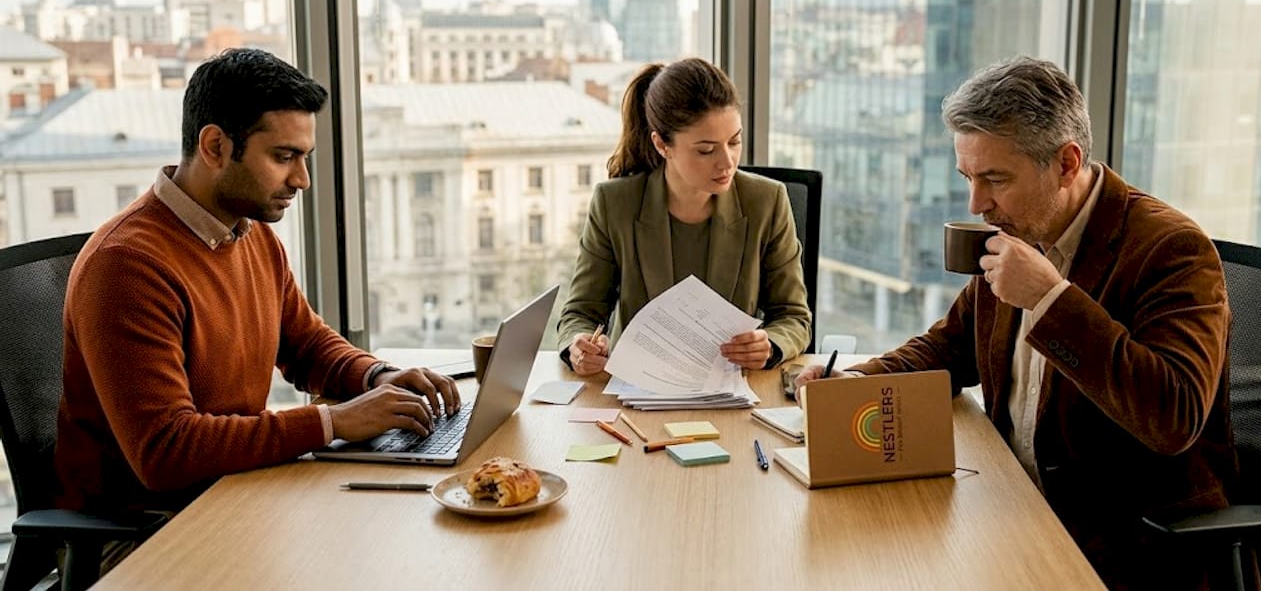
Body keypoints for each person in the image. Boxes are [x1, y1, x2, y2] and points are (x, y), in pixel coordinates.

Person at [795, 56, 1237, 589]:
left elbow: (1174, 415)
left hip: (1123, 543)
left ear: (1067, 164)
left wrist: (1051, 300)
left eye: (995, 179)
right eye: (968, 177)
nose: (977, 203)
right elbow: (953, 345)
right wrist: (861, 383)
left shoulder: (1171, 250)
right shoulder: (1023, 225)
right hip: (1010, 503)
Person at [56, 49, 461, 525]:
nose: (302, 180)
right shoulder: (126, 265)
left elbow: (307, 346)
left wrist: (377, 378)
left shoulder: (249, 232)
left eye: (304, 157)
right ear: (214, 147)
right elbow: (165, 451)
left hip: (238, 490)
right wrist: (333, 422)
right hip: (143, 531)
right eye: (283, 157)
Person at [557, 57, 811, 375]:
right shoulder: (614, 204)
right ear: (662, 144)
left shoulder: (766, 200)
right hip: (636, 388)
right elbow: (580, 312)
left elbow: (794, 316)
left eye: (734, 141)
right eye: (706, 150)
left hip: (728, 387)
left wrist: (770, 344)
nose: (727, 161)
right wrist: (578, 344)